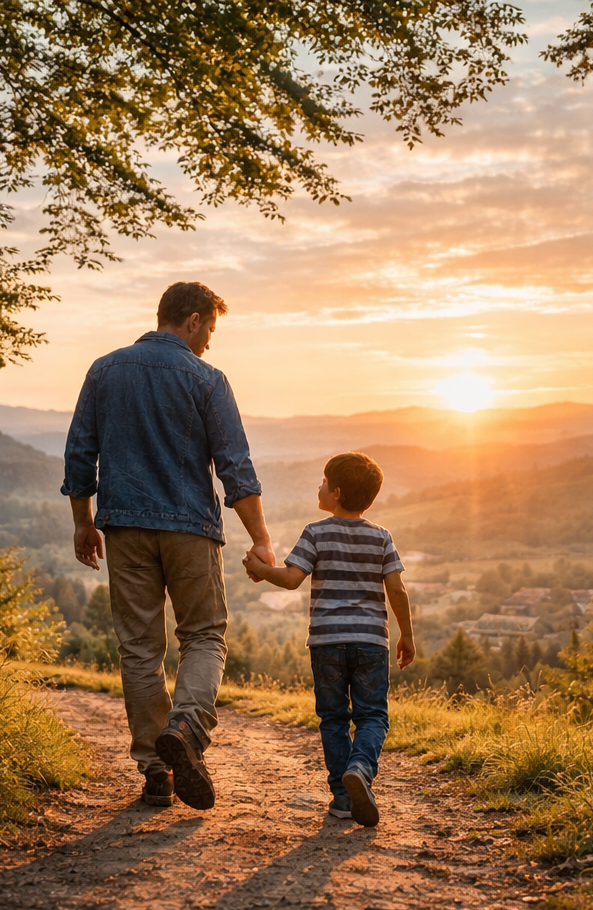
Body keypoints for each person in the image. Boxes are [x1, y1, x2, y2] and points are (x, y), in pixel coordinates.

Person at [62, 281, 274, 810]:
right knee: (203, 635)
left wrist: (83, 523)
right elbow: (235, 468)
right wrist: (262, 539)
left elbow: (78, 455)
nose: (209, 344)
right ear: (194, 320)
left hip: (124, 528)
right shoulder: (206, 379)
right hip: (190, 529)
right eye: (211, 331)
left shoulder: (104, 370)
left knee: (139, 647)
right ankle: (185, 728)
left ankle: (156, 770)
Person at [242, 452, 414, 826]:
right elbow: (397, 591)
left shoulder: (315, 532)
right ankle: (361, 769)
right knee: (373, 716)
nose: (317, 486)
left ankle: (341, 797)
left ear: (335, 493)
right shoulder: (382, 537)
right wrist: (407, 636)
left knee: (333, 719)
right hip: (371, 642)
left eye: (322, 481)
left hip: (326, 642)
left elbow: (289, 579)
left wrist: (259, 569)